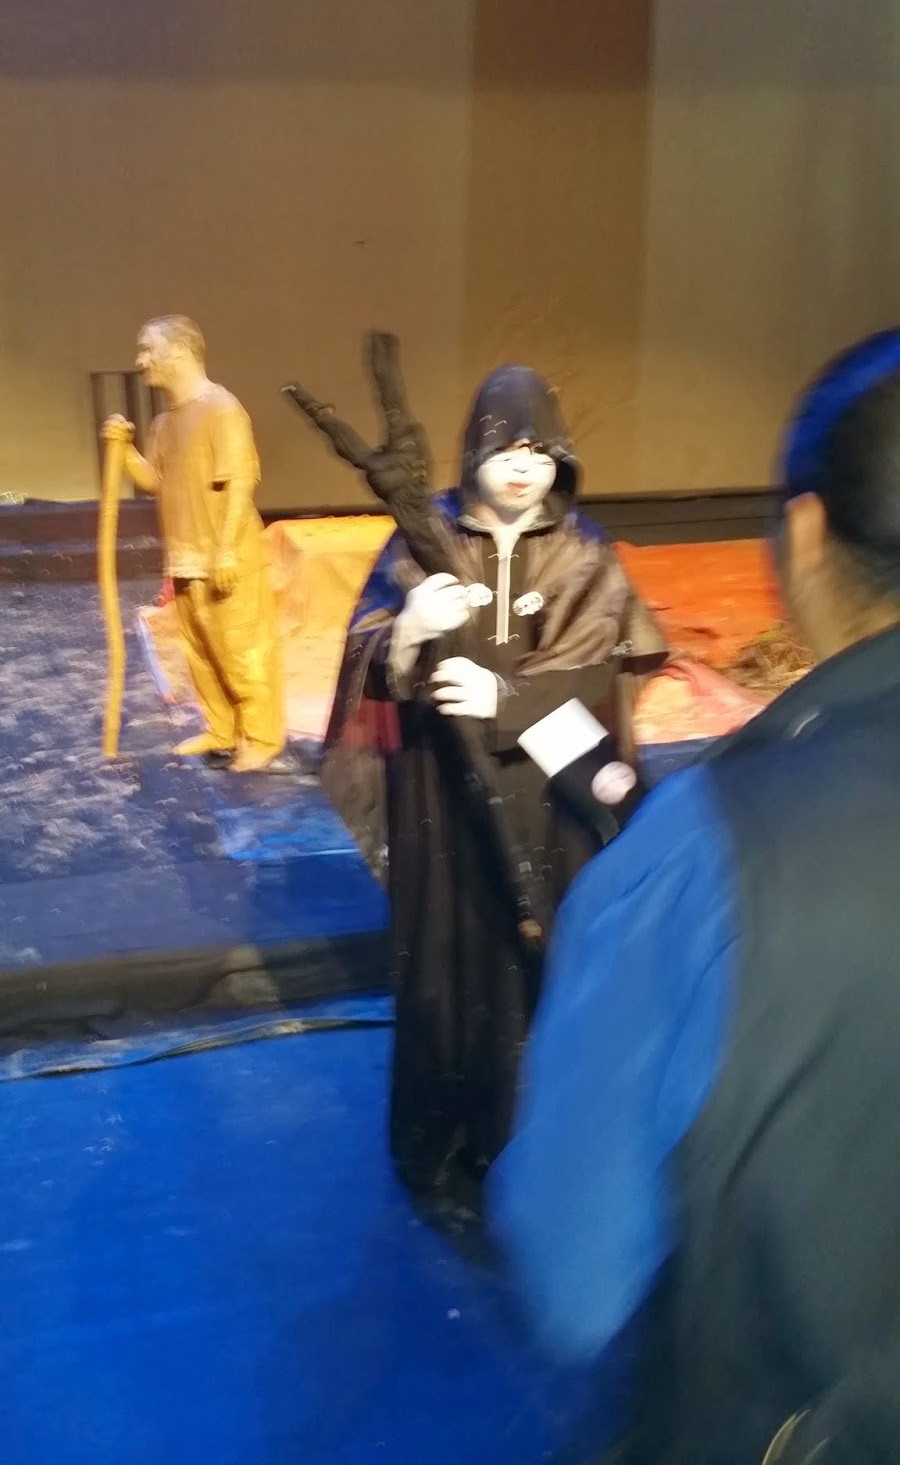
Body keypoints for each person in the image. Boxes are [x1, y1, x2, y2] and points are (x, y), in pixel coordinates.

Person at [490, 331, 900, 1463]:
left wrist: (535, 711)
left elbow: (575, 1269)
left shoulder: (707, 854)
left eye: (534, 452)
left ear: (806, 536)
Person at [322, 365, 667, 1203]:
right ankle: (445, 1144)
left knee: (538, 959)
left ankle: (532, 1143)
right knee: (447, 957)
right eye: (506, 449)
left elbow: (595, 669)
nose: (522, 468)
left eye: (540, 452)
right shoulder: (422, 537)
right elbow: (367, 651)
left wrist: (505, 698)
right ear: (474, 449)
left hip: (546, 800)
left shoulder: (582, 550)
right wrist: (408, 633)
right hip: (443, 797)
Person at [103, 315, 286, 773]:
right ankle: (221, 728)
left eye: (148, 349)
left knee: (241, 649)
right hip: (186, 556)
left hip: (226, 555)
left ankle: (261, 737)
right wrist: (124, 450)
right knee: (201, 650)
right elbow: (155, 481)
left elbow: (240, 481)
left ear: (180, 350)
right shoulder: (165, 423)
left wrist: (226, 549)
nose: (140, 360)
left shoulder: (221, 409)